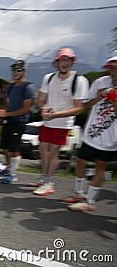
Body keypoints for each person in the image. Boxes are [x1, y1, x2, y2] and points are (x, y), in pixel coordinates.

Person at [60, 53, 117, 211]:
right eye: (112, 68)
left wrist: (114, 98)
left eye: (116, 69)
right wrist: (101, 96)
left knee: (101, 165)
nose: (114, 72)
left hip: (111, 137)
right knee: (80, 160)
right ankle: (79, 193)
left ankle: (90, 201)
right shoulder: (101, 82)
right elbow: (85, 104)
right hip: (92, 132)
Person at [31, 48, 89, 196]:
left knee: (52, 153)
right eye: (62, 60)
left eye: (68, 60)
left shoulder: (79, 81)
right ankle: (44, 177)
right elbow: (41, 99)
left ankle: (49, 182)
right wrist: (42, 108)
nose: (65, 63)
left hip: (63, 123)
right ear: (56, 63)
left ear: (72, 62)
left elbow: (79, 108)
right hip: (48, 121)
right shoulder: (49, 78)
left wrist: (56, 115)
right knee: (42, 150)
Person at [0, 60, 35, 184]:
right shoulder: (10, 87)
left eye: (18, 70)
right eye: (14, 70)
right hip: (9, 120)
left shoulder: (28, 87)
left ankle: (13, 174)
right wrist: (2, 114)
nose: (15, 72)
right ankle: (8, 168)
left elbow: (25, 109)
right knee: (6, 148)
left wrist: (7, 114)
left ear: (24, 72)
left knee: (14, 149)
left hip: (19, 121)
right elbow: (7, 104)